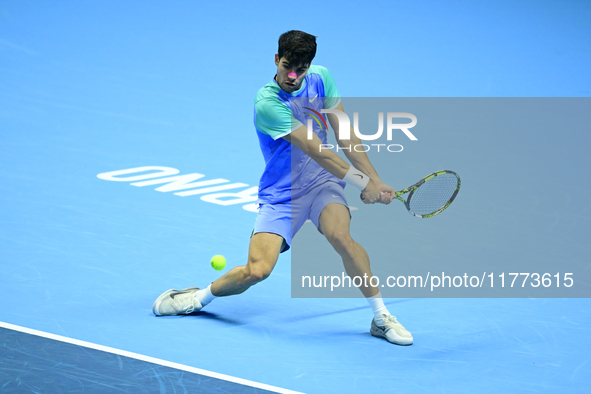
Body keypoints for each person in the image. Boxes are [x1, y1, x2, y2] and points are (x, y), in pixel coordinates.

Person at [152, 30, 413, 346]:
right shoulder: (268, 103)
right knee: (257, 271)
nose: (292, 75)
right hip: (283, 193)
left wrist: (375, 179)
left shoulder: (322, 79)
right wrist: (362, 183)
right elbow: (317, 148)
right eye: (287, 65)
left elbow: (344, 131)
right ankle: (196, 298)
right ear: (276, 59)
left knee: (341, 237)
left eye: (300, 69)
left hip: (322, 183)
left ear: (309, 67)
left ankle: (381, 316)